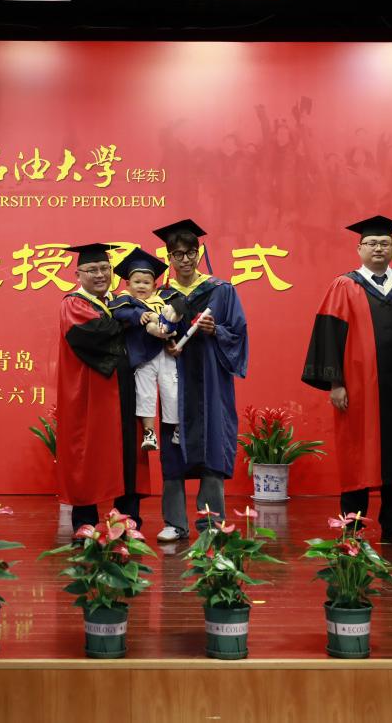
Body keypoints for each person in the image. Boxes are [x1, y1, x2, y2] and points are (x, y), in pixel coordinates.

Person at [301, 215, 392, 548]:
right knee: (357, 456)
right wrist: (335, 383)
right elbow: (329, 335)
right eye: (372, 243)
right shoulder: (344, 285)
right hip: (359, 388)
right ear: (359, 248)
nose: (378, 248)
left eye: (384, 243)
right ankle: (352, 529)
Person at [153, 219, 248, 542]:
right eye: (177, 254)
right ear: (169, 257)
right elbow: (147, 337)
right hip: (173, 379)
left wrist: (215, 330)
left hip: (210, 381)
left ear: (199, 252)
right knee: (173, 447)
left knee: (212, 444)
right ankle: (175, 523)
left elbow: (239, 334)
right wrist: (163, 343)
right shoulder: (161, 295)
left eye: (191, 252)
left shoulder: (221, 291)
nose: (185, 259)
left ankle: (212, 521)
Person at [55, 243, 151, 533]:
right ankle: (85, 523)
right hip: (91, 395)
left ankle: (128, 521)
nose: (100, 274)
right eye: (92, 269)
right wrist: (127, 321)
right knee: (88, 455)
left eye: (105, 268)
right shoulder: (73, 304)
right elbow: (96, 335)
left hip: (124, 390)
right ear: (78, 274)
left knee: (128, 452)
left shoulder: (119, 301)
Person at [108, 248, 184, 453]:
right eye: (137, 282)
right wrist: (138, 314)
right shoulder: (125, 301)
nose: (141, 286)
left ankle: (178, 428)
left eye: (146, 282)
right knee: (145, 394)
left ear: (154, 286)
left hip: (165, 354)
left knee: (172, 391)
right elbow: (119, 313)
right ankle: (149, 432)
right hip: (142, 357)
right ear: (127, 284)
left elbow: (175, 316)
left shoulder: (162, 300)